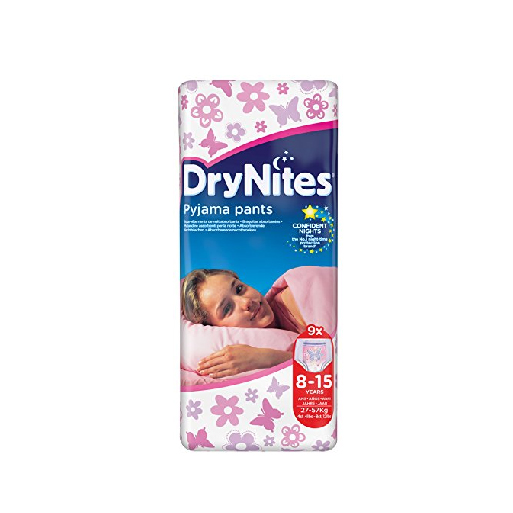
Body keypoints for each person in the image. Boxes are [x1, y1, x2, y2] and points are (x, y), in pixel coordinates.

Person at [181, 269, 306, 379]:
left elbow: (319, 371)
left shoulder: (299, 292)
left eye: (239, 289)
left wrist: (265, 358)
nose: (246, 302)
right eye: (227, 308)